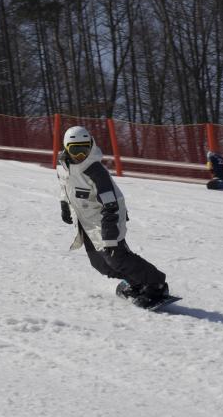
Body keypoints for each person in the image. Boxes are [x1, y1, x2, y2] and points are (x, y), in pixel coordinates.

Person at [56, 126, 169, 308]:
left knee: (116, 257)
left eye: (84, 149)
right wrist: (64, 205)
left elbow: (111, 204)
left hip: (107, 218)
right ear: (66, 148)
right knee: (101, 264)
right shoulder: (63, 167)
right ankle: (136, 283)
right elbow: (64, 185)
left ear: (91, 146)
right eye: (75, 150)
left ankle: (156, 283)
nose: (80, 155)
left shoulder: (95, 171)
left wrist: (110, 230)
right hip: (86, 223)